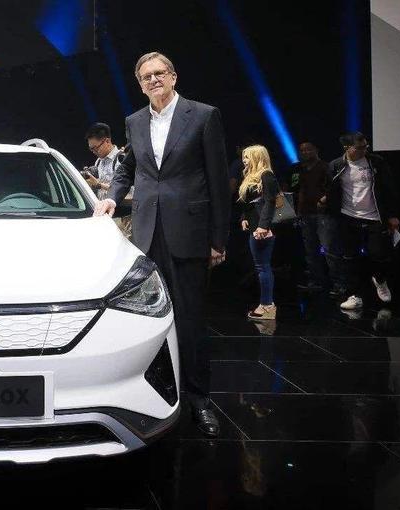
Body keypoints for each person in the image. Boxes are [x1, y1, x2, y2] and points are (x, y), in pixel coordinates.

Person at [94, 52, 229, 437]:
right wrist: (112, 197)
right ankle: (148, 394)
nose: (153, 80)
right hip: (146, 233)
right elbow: (128, 168)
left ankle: (199, 400)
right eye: (146, 76)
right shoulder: (135, 121)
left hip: (189, 232)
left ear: (173, 76)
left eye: (159, 73)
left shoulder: (203, 116)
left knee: (191, 319)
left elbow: (218, 179)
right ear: (140, 84)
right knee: (144, 318)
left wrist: (218, 239)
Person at [324, 132, 399, 311]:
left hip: (375, 216)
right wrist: (328, 206)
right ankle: (354, 295)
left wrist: (392, 215)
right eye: (360, 147)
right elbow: (330, 189)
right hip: (348, 217)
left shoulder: (376, 162)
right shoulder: (336, 165)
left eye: (366, 146)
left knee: (378, 254)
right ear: (347, 148)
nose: (364, 150)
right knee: (350, 258)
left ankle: (380, 280)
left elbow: (389, 188)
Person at [238, 145, 279, 320]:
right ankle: (266, 304)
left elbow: (270, 202)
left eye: (247, 157)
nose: (244, 160)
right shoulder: (251, 176)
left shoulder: (266, 175)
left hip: (263, 228)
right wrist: (244, 217)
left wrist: (263, 226)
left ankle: (267, 306)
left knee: (263, 266)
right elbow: (249, 203)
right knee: (260, 265)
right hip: (255, 227)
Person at [291, 142, 336, 291]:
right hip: (306, 213)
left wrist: (324, 201)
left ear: (316, 150)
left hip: (323, 213)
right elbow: (301, 191)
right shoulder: (301, 169)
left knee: (329, 249)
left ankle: (337, 284)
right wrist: (299, 212)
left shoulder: (325, 167)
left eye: (308, 149)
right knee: (310, 250)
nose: (305, 152)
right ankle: (316, 282)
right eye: (302, 150)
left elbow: (333, 189)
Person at [83, 123, 121, 200]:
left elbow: (124, 189)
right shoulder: (98, 161)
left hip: (119, 206)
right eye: (91, 149)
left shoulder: (120, 159)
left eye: (95, 148)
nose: (93, 152)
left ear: (107, 141)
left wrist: (99, 184)